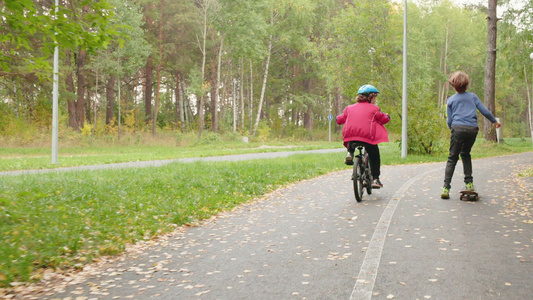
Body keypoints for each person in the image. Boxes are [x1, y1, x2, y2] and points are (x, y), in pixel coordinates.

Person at [441, 71, 501, 199]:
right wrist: (494, 122)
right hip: (472, 129)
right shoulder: (473, 97)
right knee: (465, 154)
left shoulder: (450, 100)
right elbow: (484, 111)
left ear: (453, 85)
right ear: (466, 85)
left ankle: (446, 188)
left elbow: (449, 120)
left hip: (457, 128)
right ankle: (469, 184)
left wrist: (453, 129)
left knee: (452, 158)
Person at [336, 84, 390, 188]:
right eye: (374, 98)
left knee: (352, 139)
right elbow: (383, 119)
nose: (375, 100)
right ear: (369, 97)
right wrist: (387, 116)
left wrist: (336, 118)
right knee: (375, 156)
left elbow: (339, 120)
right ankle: (375, 179)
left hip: (350, 137)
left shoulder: (349, 108)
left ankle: (350, 153)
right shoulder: (374, 109)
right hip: (367, 138)